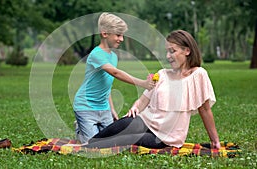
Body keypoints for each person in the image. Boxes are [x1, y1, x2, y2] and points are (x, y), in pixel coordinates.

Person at [85, 30, 221, 149]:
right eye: (167, 51)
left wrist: (214, 140)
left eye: (172, 51)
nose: (168, 56)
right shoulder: (162, 74)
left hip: (164, 137)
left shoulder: (198, 74)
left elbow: (205, 109)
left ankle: (87, 148)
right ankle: (88, 143)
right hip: (146, 121)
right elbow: (143, 100)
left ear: (187, 51)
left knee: (125, 139)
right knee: (124, 123)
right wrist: (135, 107)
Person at [73, 12, 155, 143]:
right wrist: (142, 83)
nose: (121, 39)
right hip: (85, 107)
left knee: (110, 140)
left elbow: (107, 85)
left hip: (103, 108)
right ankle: (79, 128)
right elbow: (115, 73)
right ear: (105, 33)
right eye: (118, 35)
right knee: (93, 144)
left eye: (122, 35)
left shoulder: (113, 57)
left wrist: (111, 109)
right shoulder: (96, 54)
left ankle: (90, 127)